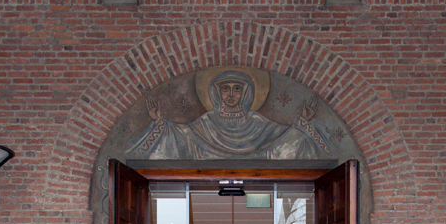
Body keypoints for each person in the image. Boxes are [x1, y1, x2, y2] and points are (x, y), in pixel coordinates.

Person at [129, 69, 331, 160]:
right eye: (225, 89)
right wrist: (160, 122)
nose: (231, 94)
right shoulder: (206, 123)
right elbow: (183, 134)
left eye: (237, 89)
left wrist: (302, 123)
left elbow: (283, 136)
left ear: (246, 92)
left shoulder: (257, 122)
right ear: (217, 92)